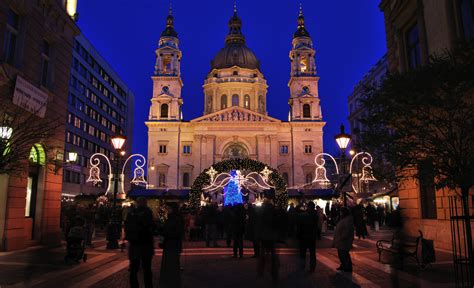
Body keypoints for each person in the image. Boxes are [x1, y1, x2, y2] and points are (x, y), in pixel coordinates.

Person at [125, 197, 156, 288]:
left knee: (134, 269)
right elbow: (152, 226)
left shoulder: (131, 213)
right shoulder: (148, 213)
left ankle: (134, 286)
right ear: (145, 203)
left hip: (135, 244)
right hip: (145, 244)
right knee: (147, 268)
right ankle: (148, 286)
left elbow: (127, 226)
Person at [159, 202, 185, 288]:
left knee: (172, 264)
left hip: (172, 243)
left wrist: (166, 233)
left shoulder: (175, 218)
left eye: (169, 208)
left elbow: (177, 232)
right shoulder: (171, 218)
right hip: (170, 243)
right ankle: (170, 281)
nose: (167, 210)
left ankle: (172, 282)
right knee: (170, 264)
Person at [257, 198, 280, 283]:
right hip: (272, 235)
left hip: (264, 235)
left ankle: (261, 269)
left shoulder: (262, 211)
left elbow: (260, 223)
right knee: (273, 252)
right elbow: (277, 222)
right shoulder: (274, 210)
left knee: (263, 252)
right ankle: (274, 271)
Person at [297, 201, 318, 272]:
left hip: (303, 236)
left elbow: (299, 226)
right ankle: (312, 267)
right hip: (312, 236)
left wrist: (298, 235)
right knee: (312, 253)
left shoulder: (303, 215)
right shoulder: (315, 215)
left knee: (303, 252)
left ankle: (302, 266)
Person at [333, 207, 354, 273]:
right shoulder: (343, 219)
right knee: (341, 254)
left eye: (341, 212)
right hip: (341, 240)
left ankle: (348, 266)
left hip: (344, 240)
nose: (340, 213)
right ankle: (343, 265)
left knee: (344, 254)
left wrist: (342, 237)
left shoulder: (348, 220)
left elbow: (347, 231)